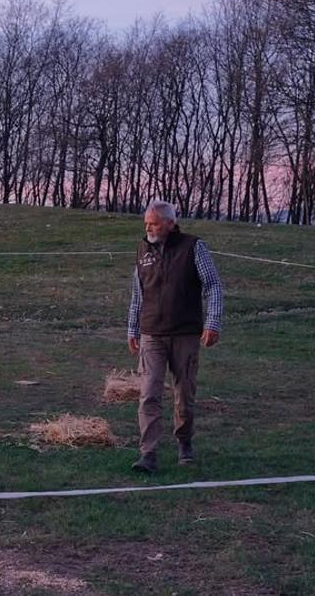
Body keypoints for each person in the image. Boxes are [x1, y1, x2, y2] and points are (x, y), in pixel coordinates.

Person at [127, 200, 223, 474]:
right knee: (149, 394)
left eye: (154, 223)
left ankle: (184, 443)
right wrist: (132, 329)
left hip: (185, 333)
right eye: (146, 223)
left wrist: (212, 322)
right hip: (151, 335)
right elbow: (138, 293)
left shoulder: (194, 247)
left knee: (184, 393)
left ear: (170, 223)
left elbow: (213, 285)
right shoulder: (143, 250)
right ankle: (148, 453)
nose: (149, 228)